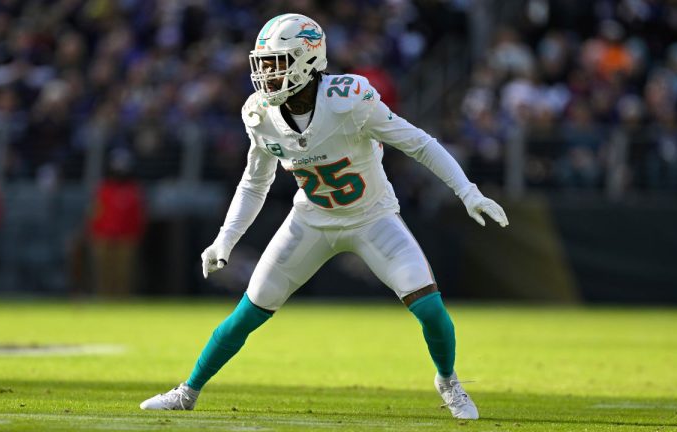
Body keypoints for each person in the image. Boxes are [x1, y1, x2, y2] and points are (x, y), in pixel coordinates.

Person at [140, 14, 508, 420]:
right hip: (311, 220)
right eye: (262, 64)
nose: (266, 74)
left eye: (276, 62)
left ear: (307, 60)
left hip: (373, 218)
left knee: (431, 309)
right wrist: (224, 240)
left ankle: (448, 381)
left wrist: (467, 191)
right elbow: (253, 184)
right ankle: (187, 391)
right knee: (247, 313)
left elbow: (419, 144)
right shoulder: (260, 114)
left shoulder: (350, 101)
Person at [88, 149, 146, 297]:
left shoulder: (134, 190)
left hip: (126, 237)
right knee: (103, 270)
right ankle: (103, 297)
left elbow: (138, 215)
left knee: (123, 271)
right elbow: (95, 213)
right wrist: (95, 233)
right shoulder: (103, 189)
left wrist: (135, 235)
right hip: (104, 236)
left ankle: (122, 299)